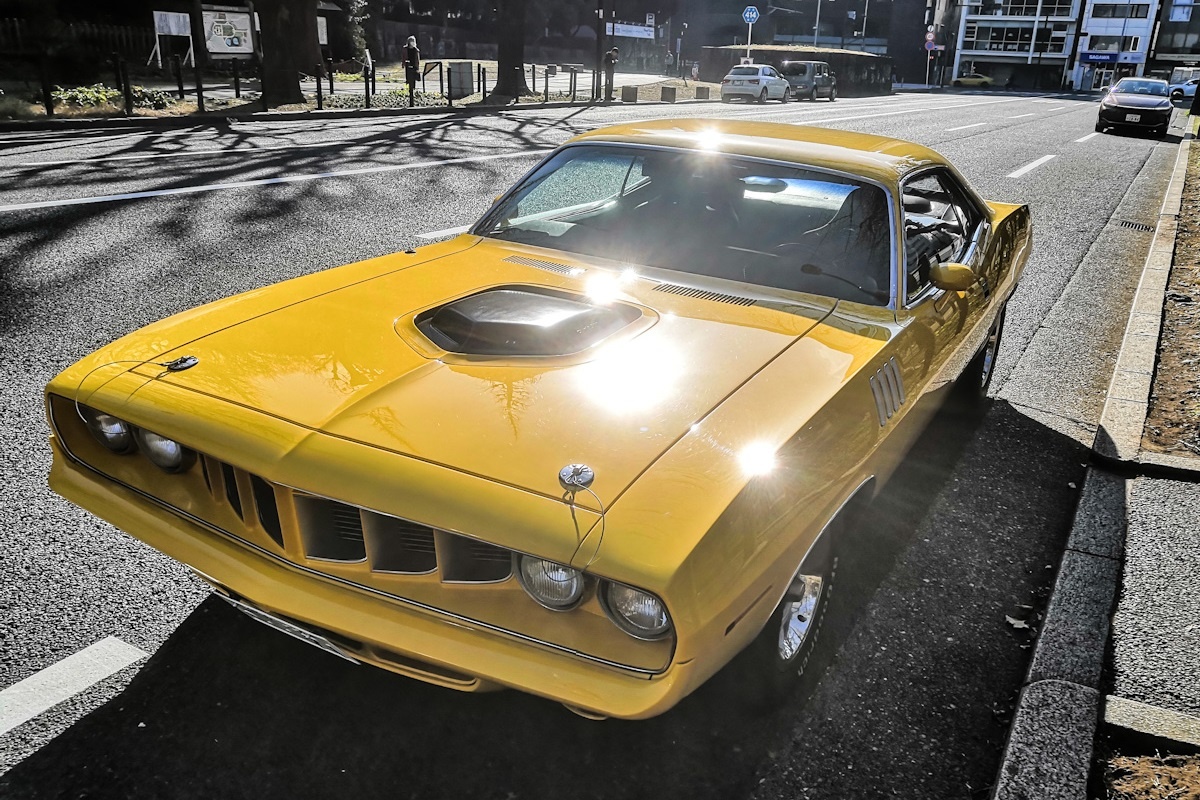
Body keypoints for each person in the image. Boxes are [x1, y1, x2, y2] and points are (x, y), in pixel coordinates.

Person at [403, 35, 420, 108]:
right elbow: (403, 56)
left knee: (413, 78)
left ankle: (413, 89)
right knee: (408, 77)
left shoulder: (416, 50)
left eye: (413, 41)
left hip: (414, 65)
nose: (412, 42)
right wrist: (403, 63)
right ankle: (409, 89)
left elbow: (417, 59)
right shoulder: (405, 48)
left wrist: (418, 66)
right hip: (408, 64)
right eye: (410, 41)